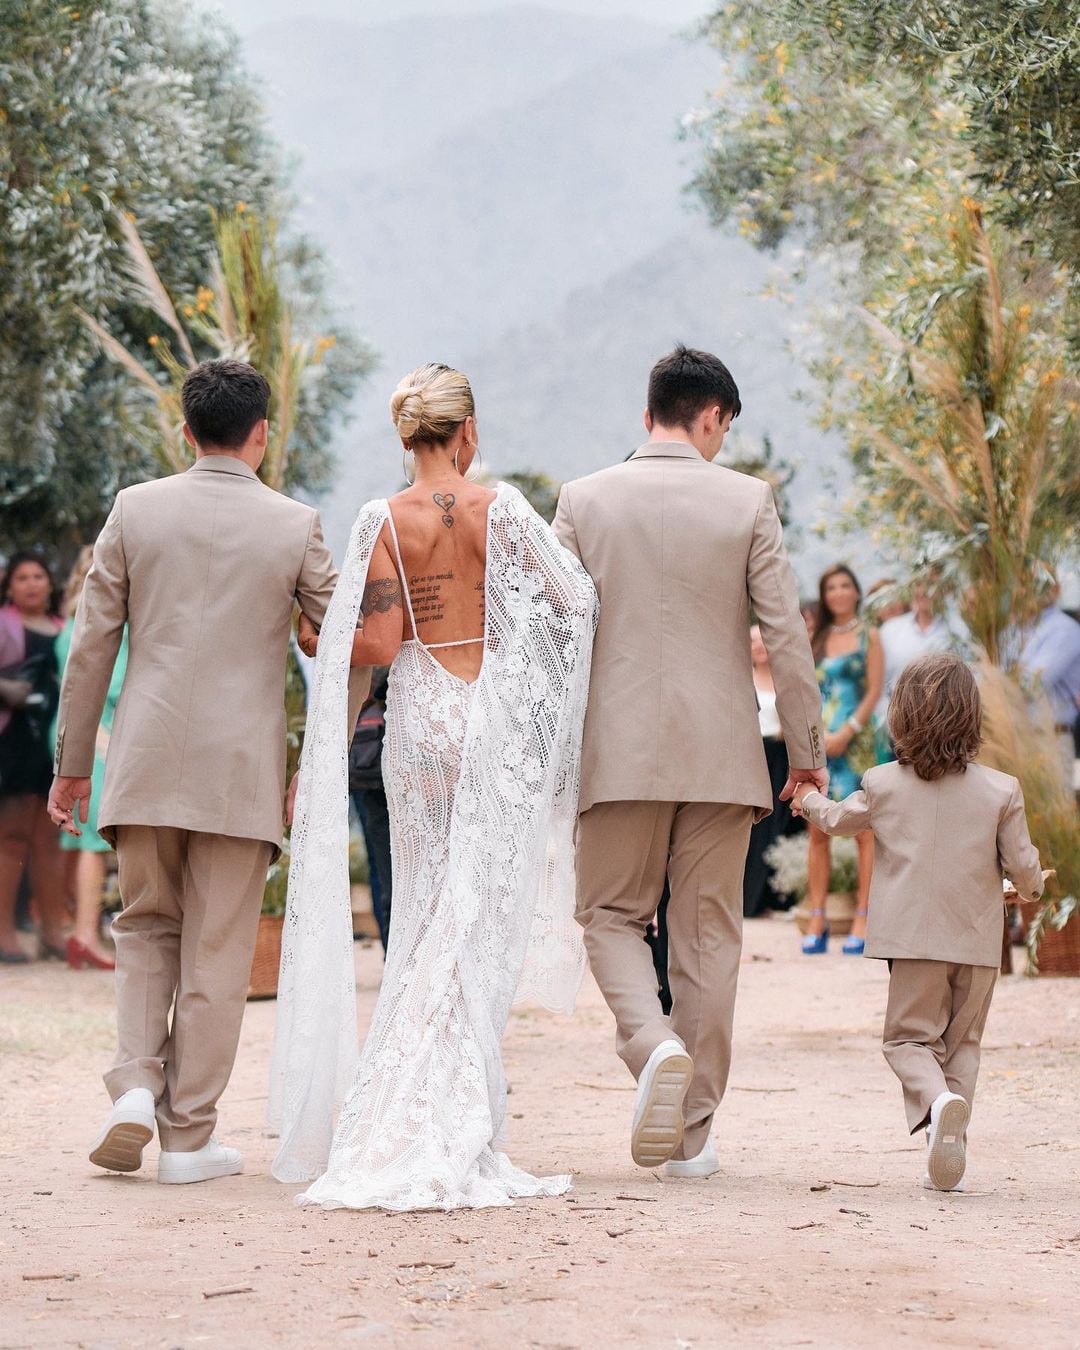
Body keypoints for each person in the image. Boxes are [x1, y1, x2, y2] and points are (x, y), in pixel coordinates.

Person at [270, 363, 597, 1211]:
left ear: (406, 435)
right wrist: (522, 671)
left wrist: (325, 724)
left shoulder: (382, 519)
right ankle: (459, 1114)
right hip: (491, 724)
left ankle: (407, 1108)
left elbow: (374, 646)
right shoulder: (508, 508)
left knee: (422, 917)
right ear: (469, 431)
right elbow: (574, 601)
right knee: (475, 923)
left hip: (419, 724)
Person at [49, 358, 367, 1185]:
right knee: (218, 954)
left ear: (185, 432)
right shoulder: (295, 525)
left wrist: (73, 766)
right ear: (262, 433)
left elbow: (92, 648)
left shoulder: (134, 509)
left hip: (147, 757)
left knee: (145, 925)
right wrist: (323, 756)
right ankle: (187, 1137)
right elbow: (348, 644)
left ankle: (131, 1086)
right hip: (240, 771)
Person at [553, 345, 825, 1179]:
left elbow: (550, 634)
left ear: (648, 415)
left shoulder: (583, 499)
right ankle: (691, 1139)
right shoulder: (748, 501)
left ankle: (650, 1041)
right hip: (723, 754)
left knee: (610, 917)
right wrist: (807, 756)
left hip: (618, 753)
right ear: (712, 417)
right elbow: (785, 635)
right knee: (708, 938)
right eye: (724, 429)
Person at [794, 653, 1045, 1191]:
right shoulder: (1001, 789)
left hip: (911, 942)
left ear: (901, 717)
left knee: (908, 1041)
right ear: (971, 718)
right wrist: (1033, 887)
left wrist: (810, 799)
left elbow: (838, 821)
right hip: (977, 943)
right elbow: (1022, 866)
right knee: (964, 1045)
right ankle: (947, 1138)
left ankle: (938, 1105)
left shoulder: (883, 783)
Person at [803, 564, 884, 956]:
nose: (838, 592)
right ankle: (816, 916)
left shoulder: (869, 634)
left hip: (859, 741)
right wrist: (817, 735)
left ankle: (862, 916)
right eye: (830, 586)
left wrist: (848, 730)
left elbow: (875, 689)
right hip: (819, 741)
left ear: (856, 590)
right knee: (817, 828)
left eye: (844, 584)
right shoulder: (814, 636)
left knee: (864, 830)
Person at [53, 546, 127, 970]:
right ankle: (84, 931)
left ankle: (81, 928)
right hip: (99, 728)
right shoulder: (108, 620)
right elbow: (112, 684)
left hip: (70, 726)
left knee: (78, 831)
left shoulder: (68, 623)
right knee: (94, 836)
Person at [0, 553, 67, 963]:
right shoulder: (4, 622)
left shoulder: (65, 628)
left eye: (38, 575)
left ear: (49, 583)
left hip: (55, 740)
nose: (31, 583)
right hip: (12, 739)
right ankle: (5, 934)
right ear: (10, 587)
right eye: (22, 577)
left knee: (49, 839)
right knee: (11, 837)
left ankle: (53, 933)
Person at [743, 624, 802, 917]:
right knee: (752, 828)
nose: (757, 646)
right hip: (751, 755)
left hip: (780, 758)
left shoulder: (785, 680)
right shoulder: (742, 678)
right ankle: (747, 899)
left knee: (778, 825)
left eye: (762, 640)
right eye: (752, 640)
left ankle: (775, 897)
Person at [348, 667, 393, 951]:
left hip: (371, 763)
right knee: (383, 869)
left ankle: (395, 955)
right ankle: (392, 953)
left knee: (384, 869)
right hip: (370, 770)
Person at [1018, 584, 1080, 788]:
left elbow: (1032, 682)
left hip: (1051, 739)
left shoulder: (1065, 629)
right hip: (1021, 739)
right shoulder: (1021, 628)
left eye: (1045, 583)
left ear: (1056, 589)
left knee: (1053, 814)